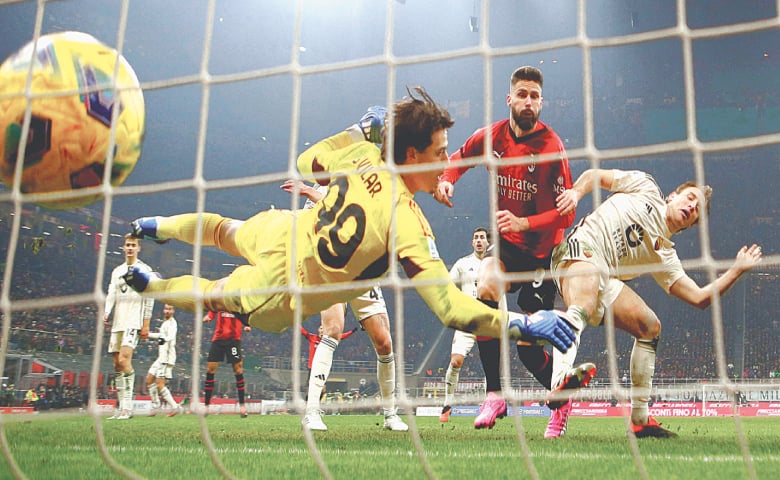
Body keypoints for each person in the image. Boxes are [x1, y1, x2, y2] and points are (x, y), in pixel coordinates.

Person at [122, 88, 578, 421]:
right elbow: (450, 308)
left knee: (222, 228)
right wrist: (520, 323)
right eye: (439, 153)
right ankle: (154, 283)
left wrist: (358, 131)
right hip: (284, 290)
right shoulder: (408, 223)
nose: (446, 163)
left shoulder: (363, 156)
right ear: (414, 155)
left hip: (284, 230)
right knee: (212, 292)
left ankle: (154, 226)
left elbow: (306, 162)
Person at [434, 66, 594, 434]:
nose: (528, 102)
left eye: (535, 96)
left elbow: (566, 213)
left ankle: (558, 398)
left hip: (543, 251)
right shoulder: (491, 136)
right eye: (522, 94)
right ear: (510, 99)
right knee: (485, 286)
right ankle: (494, 394)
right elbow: (459, 157)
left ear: (542, 103)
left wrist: (526, 223)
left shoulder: (552, 148)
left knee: (527, 346)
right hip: (507, 245)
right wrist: (446, 181)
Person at [551, 167, 762, 437]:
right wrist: (575, 193)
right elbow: (596, 175)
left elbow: (699, 298)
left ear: (689, 225)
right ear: (673, 195)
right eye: (689, 198)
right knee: (585, 300)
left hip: (604, 276)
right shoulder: (646, 187)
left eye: (696, 209)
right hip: (579, 251)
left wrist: (736, 270)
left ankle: (640, 420)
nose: (691, 206)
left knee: (650, 327)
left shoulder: (665, 257)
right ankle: (559, 382)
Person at [282, 178, 408, 432]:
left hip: (361, 269)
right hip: (331, 268)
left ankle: (390, 414)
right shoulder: (314, 196)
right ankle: (312, 412)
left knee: (384, 343)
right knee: (332, 329)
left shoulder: (357, 188)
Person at [439, 227, 489, 423]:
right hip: (467, 320)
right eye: (475, 237)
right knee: (456, 361)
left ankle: (487, 406)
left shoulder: (497, 263)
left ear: (487, 242)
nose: (478, 240)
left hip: (489, 320)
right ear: (472, 242)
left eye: (482, 238)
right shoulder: (463, 263)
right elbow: (448, 286)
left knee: (490, 367)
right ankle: (447, 403)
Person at [104, 233, 154, 420]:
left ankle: (127, 408)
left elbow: (149, 298)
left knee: (125, 361)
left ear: (139, 248)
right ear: (123, 248)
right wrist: (106, 312)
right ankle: (121, 407)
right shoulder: (117, 271)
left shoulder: (145, 270)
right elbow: (111, 293)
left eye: (134, 245)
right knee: (117, 365)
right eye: (128, 245)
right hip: (118, 322)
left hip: (133, 322)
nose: (131, 248)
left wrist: (146, 323)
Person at [299, 320, 358, 423]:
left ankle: (314, 406)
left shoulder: (328, 341)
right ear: (318, 330)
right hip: (312, 368)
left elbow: (341, 336)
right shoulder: (312, 338)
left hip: (322, 368)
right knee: (311, 389)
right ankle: (309, 408)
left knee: (323, 390)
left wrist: (352, 331)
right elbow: (303, 331)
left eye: (324, 328)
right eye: (321, 328)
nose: (322, 330)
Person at [203, 310, 251, 418]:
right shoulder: (221, 300)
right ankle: (206, 406)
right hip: (218, 340)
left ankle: (242, 406)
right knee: (210, 369)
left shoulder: (237, 302)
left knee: (238, 370)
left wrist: (247, 324)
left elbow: (247, 311)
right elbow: (213, 307)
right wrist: (210, 316)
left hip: (233, 340)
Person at [145, 304, 183, 417]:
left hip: (167, 358)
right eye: (166, 309)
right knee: (149, 379)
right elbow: (161, 335)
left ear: (173, 311)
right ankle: (156, 406)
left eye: (170, 309)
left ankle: (175, 407)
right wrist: (148, 335)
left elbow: (171, 336)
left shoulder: (172, 323)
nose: (167, 311)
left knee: (160, 384)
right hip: (161, 357)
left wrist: (163, 339)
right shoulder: (165, 323)